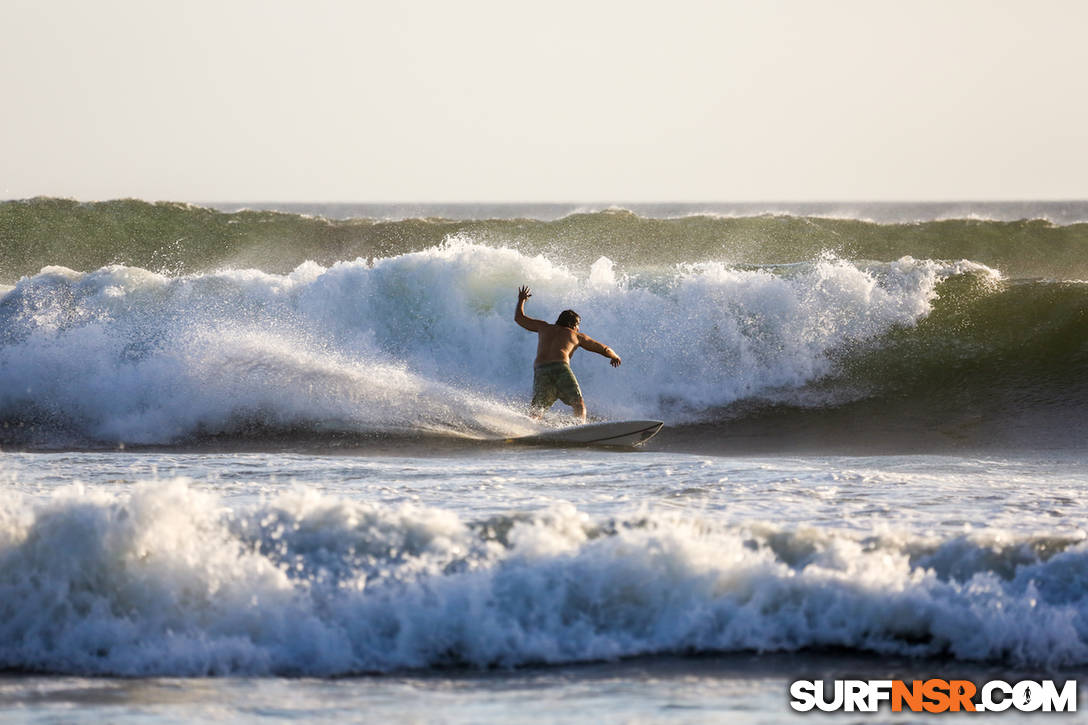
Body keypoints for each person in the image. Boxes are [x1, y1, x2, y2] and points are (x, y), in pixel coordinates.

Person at [514, 285, 621, 421]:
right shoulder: (576, 335)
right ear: (574, 324)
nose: (578, 328)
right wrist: (614, 356)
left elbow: (519, 318)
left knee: (537, 411)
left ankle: (527, 429)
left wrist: (521, 300)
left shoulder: (543, 327)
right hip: (559, 367)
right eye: (578, 325)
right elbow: (603, 348)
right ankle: (580, 429)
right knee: (578, 403)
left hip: (540, 369)